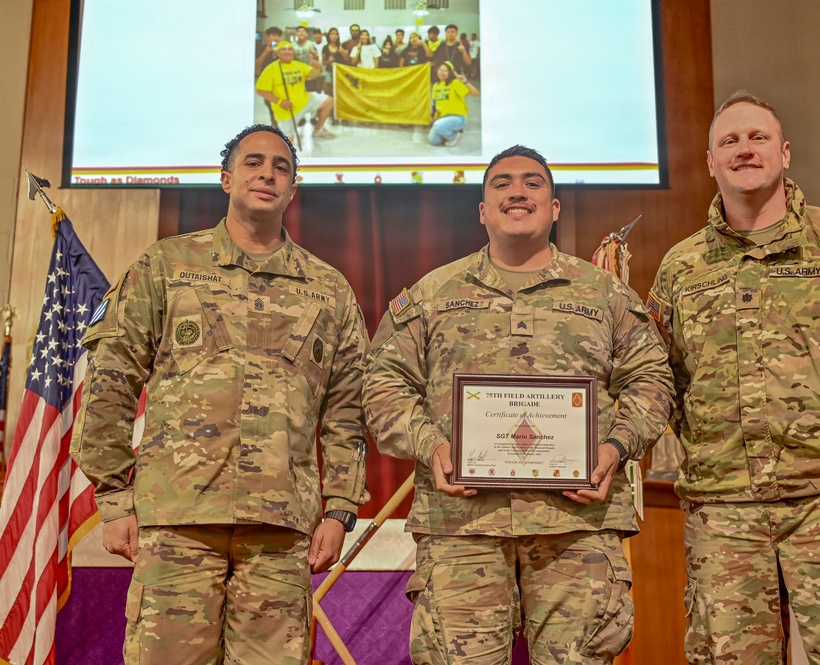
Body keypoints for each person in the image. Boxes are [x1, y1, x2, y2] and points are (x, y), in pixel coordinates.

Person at [69, 124, 369, 664]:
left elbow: (347, 409)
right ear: (226, 177)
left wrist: (341, 507)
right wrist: (113, 495)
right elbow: (112, 379)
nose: (267, 174)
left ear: (293, 190)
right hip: (178, 521)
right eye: (254, 163)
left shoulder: (329, 290)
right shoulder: (166, 265)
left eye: (281, 168)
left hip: (279, 532)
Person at [363, 145, 674, 665]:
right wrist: (431, 444)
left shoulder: (606, 296)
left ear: (554, 207)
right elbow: (383, 382)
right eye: (501, 183)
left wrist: (616, 447)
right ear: (483, 209)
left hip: (576, 527)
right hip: (462, 527)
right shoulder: (433, 293)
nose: (517, 192)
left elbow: (652, 380)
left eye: (533, 183)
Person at [647, 90, 820, 664]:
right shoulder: (681, 266)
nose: (744, 150)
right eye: (729, 140)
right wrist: (708, 445)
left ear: (786, 153)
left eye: (758, 138)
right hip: (725, 510)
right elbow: (663, 377)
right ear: (709, 162)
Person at [255, 41, 335, 142]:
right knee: (288, 142)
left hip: (305, 100)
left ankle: (318, 129)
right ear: (278, 53)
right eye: (283, 49)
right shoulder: (271, 69)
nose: (287, 52)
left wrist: (317, 67)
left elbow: (313, 74)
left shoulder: (298, 65)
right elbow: (260, 90)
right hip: (287, 109)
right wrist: (280, 101)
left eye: (289, 49)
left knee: (329, 101)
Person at [428, 60, 478, 147]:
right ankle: (449, 129)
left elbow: (476, 94)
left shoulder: (454, 83)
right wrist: (433, 118)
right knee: (433, 140)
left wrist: (465, 82)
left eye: (445, 71)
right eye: (440, 70)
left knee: (438, 126)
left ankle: (454, 136)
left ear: (450, 72)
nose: (442, 73)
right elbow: (435, 104)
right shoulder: (436, 86)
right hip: (443, 117)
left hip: (458, 117)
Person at [321, 27, 349, 96]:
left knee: (340, 90)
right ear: (329, 35)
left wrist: (343, 53)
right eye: (332, 34)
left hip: (339, 72)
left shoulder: (342, 46)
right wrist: (329, 61)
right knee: (328, 90)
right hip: (329, 71)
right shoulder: (325, 47)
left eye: (336, 34)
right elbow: (324, 62)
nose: (334, 36)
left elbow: (348, 61)